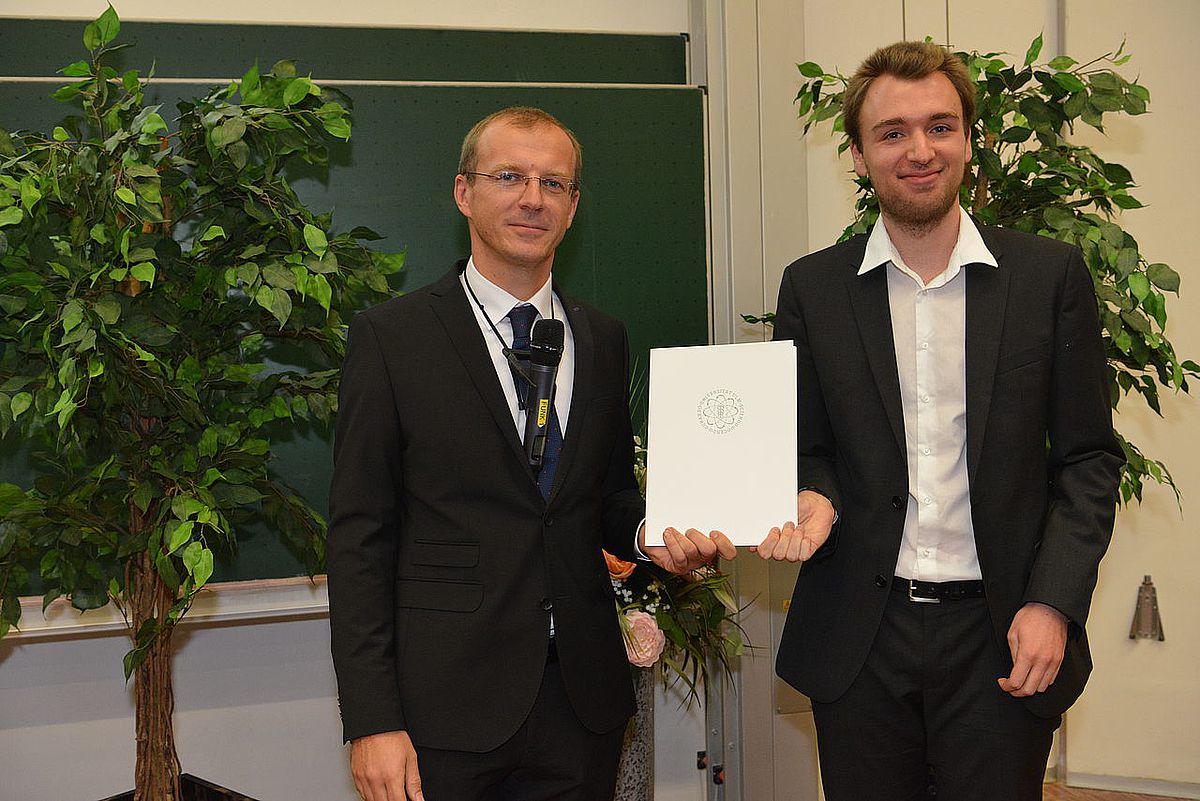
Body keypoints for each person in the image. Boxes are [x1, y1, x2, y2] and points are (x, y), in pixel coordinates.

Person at [327, 106, 734, 801]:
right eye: (509, 176)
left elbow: (606, 498)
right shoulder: (392, 338)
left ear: (572, 208)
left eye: (553, 183)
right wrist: (371, 720)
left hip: (580, 705)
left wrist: (652, 535)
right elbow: (358, 537)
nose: (532, 198)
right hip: (441, 709)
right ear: (464, 192)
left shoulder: (602, 338)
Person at [761, 42, 1123, 800]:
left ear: (969, 140)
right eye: (892, 133)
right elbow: (805, 448)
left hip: (1001, 630)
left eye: (940, 127)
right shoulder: (812, 289)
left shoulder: (1048, 277)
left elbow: (1088, 458)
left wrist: (1052, 601)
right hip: (860, 634)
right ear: (858, 155)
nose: (919, 150)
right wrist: (814, 494)